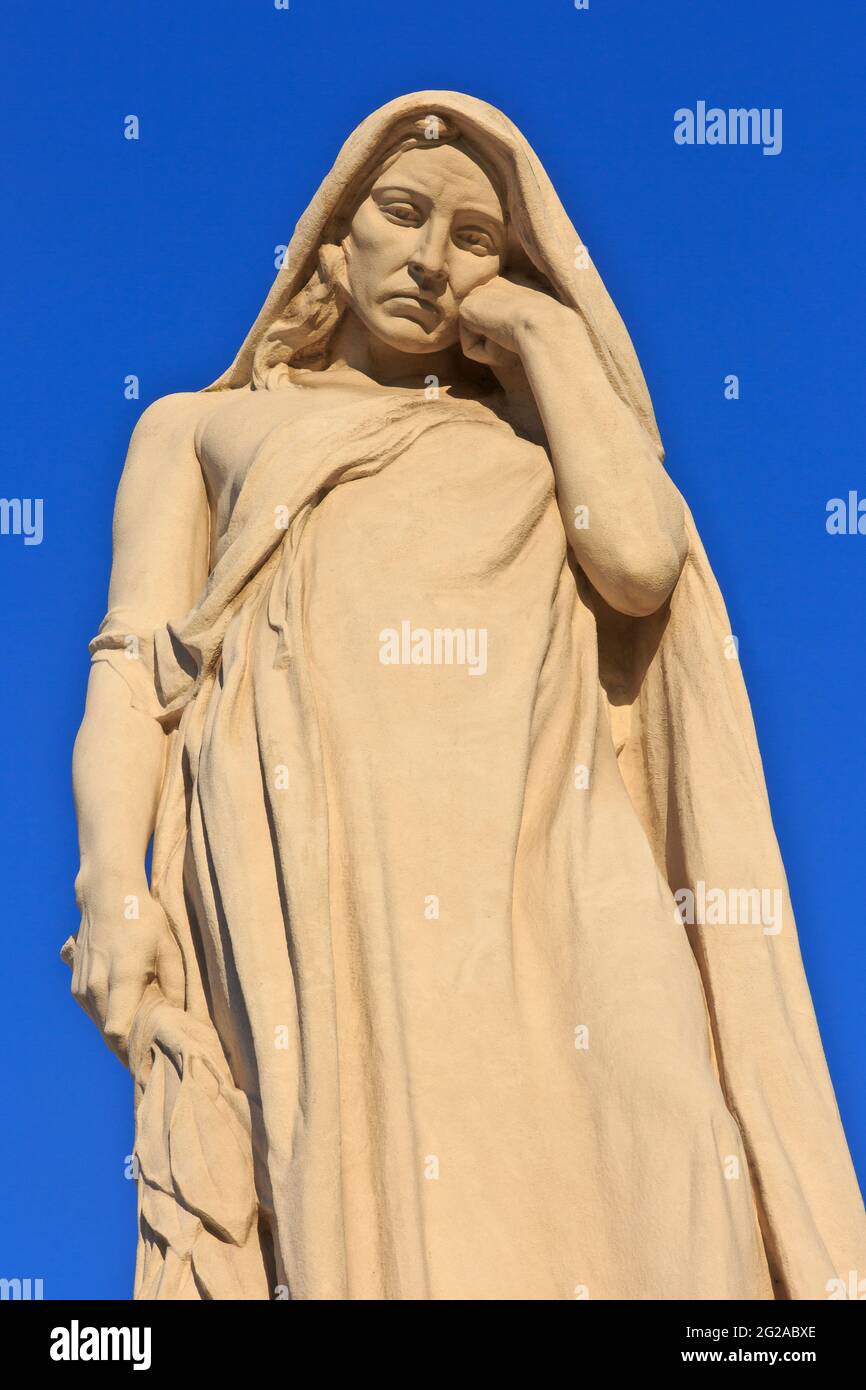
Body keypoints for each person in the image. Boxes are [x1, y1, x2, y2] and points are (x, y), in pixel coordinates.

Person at [67, 91, 866, 1300]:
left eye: (475, 238)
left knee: (671, 1181)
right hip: (340, 874)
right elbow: (134, 670)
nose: (432, 259)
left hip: (562, 868)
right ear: (333, 238)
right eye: (400, 213)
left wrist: (543, 344)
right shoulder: (203, 428)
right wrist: (112, 880)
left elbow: (640, 561)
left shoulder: (536, 445)